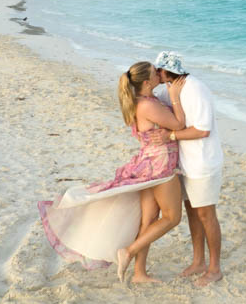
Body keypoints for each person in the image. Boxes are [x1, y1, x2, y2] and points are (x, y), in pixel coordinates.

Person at [38, 61, 186, 281]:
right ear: (146, 82)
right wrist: (175, 95)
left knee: (149, 218)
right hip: (160, 166)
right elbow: (179, 124)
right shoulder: (147, 105)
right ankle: (128, 251)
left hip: (150, 162)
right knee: (172, 217)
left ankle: (139, 273)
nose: (160, 73)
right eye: (156, 73)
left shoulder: (142, 101)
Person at [154, 50, 225, 285]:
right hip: (185, 163)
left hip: (203, 162)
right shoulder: (170, 89)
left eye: (158, 70)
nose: (156, 74)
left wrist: (171, 135)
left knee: (206, 214)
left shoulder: (195, 88)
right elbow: (161, 109)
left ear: (165, 71)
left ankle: (214, 268)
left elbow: (202, 130)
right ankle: (198, 261)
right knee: (192, 212)